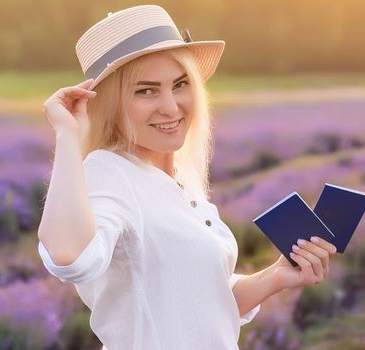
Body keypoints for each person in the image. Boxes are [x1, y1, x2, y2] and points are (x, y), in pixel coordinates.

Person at [35, 5, 337, 349]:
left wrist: (275, 276)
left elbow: (200, 307)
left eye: (179, 85)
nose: (171, 106)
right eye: (146, 91)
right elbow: (69, 257)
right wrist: (68, 137)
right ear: (109, 104)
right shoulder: (109, 173)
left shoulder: (179, 181)